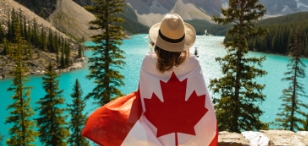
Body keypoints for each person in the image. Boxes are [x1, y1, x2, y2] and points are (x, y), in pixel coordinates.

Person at [82, 13, 218, 146]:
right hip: (194, 140)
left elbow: (142, 96)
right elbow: (204, 101)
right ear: (183, 43)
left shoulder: (148, 62)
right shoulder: (193, 63)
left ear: (157, 42)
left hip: (156, 137)